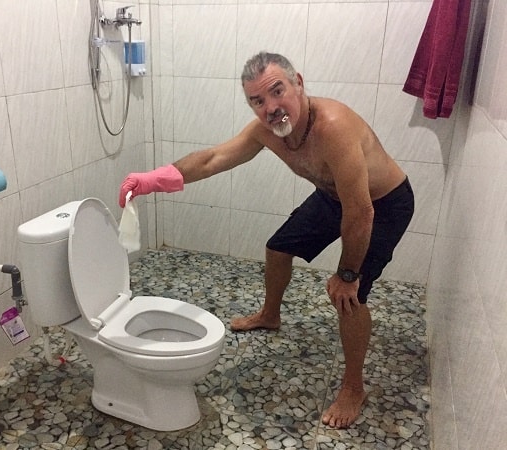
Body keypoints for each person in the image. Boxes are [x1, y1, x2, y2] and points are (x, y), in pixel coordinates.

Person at [119, 52, 414, 429]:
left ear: (299, 84)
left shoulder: (334, 128)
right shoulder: (265, 132)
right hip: (335, 195)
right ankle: (270, 315)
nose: (271, 107)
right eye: (258, 101)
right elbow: (212, 159)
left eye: (278, 91)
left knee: (350, 295)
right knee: (278, 248)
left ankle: (353, 387)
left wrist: (348, 273)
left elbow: (360, 215)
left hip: (383, 204)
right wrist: (153, 180)